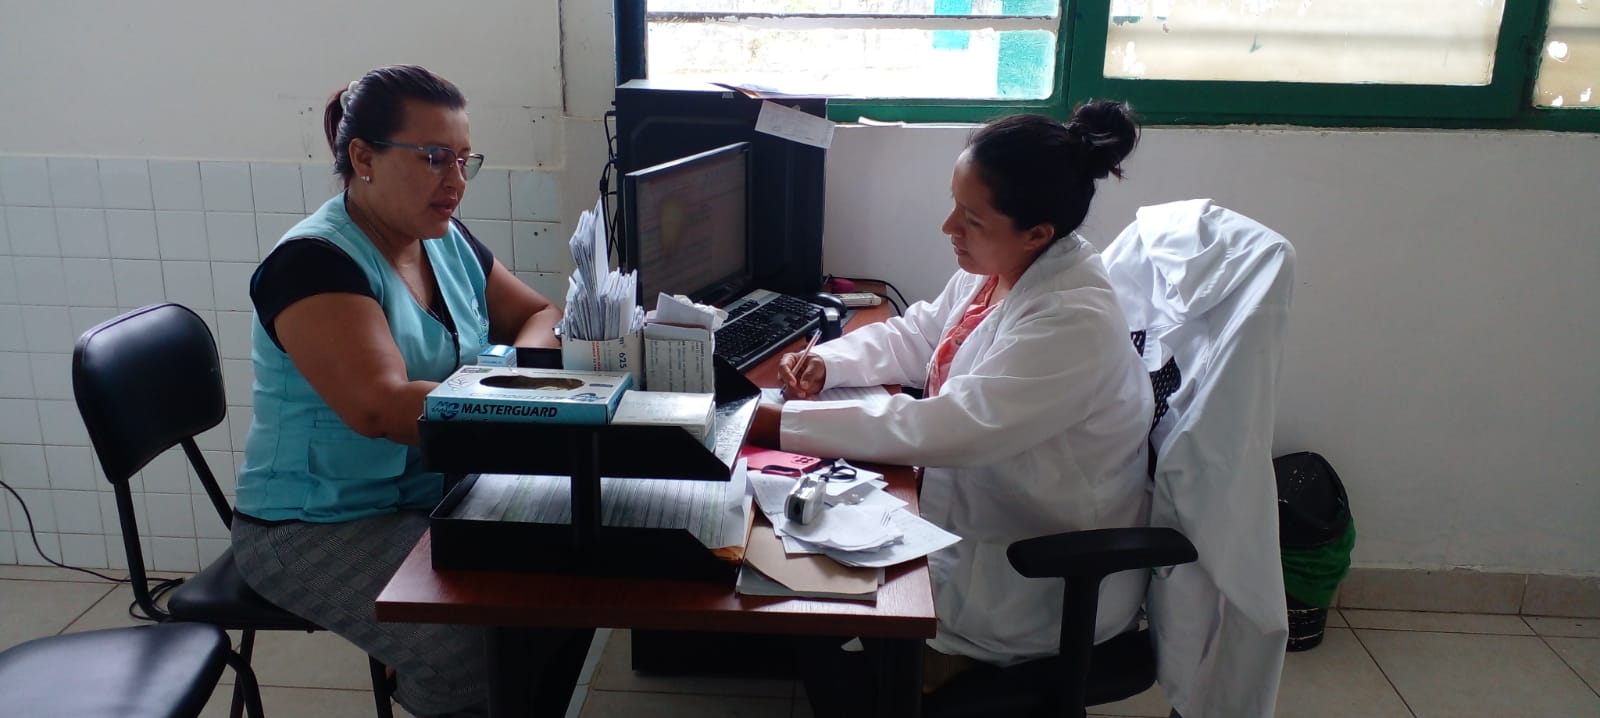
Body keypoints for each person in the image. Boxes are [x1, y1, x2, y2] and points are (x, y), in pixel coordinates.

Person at [748, 101, 1156, 709]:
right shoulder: (1003, 264)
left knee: (811, 609)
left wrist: (782, 422)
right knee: (796, 580)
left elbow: (955, 425)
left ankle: (923, 678)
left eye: (970, 218)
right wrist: (829, 364)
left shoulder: (1072, 318)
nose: (948, 227)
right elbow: (920, 336)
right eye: (953, 204)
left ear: (1037, 232)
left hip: (1029, 579)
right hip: (970, 521)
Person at [230, 65, 571, 717]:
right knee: (471, 648)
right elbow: (381, 407)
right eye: (435, 158)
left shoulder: (443, 240)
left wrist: (529, 373)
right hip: (316, 524)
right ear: (364, 158)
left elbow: (540, 314)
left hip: (432, 494)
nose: (456, 181)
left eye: (464, 160)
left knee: (564, 588)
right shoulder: (314, 263)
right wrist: (525, 400)